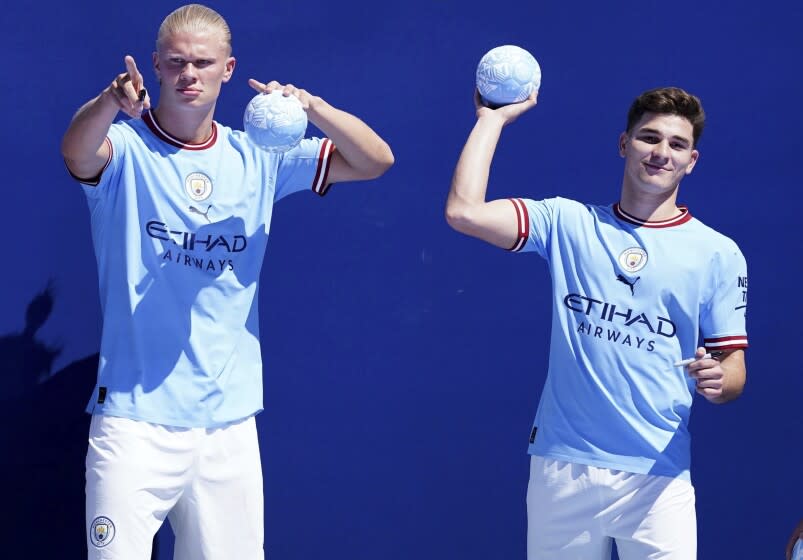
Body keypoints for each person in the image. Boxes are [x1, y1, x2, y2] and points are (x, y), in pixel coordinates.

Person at [61, 4, 393, 559]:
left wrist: (311, 106)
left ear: (229, 69)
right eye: (176, 63)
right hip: (133, 425)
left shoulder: (261, 155)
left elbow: (376, 159)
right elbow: (76, 152)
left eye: (203, 62)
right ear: (156, 66)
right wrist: (107, 103)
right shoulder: (127, 149)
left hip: (228, 427)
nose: (189, 74)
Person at [445, 86, 748, 559]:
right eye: (649, 138)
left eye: (676, 144)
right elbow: (464, 212)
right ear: (624, 144)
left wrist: (719, 378)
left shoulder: (719, 253)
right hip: (562, 470)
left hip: (659, 477)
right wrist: (491, 121)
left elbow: (734, 370)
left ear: (692, 161)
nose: (661, 153)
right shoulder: (567, 223)